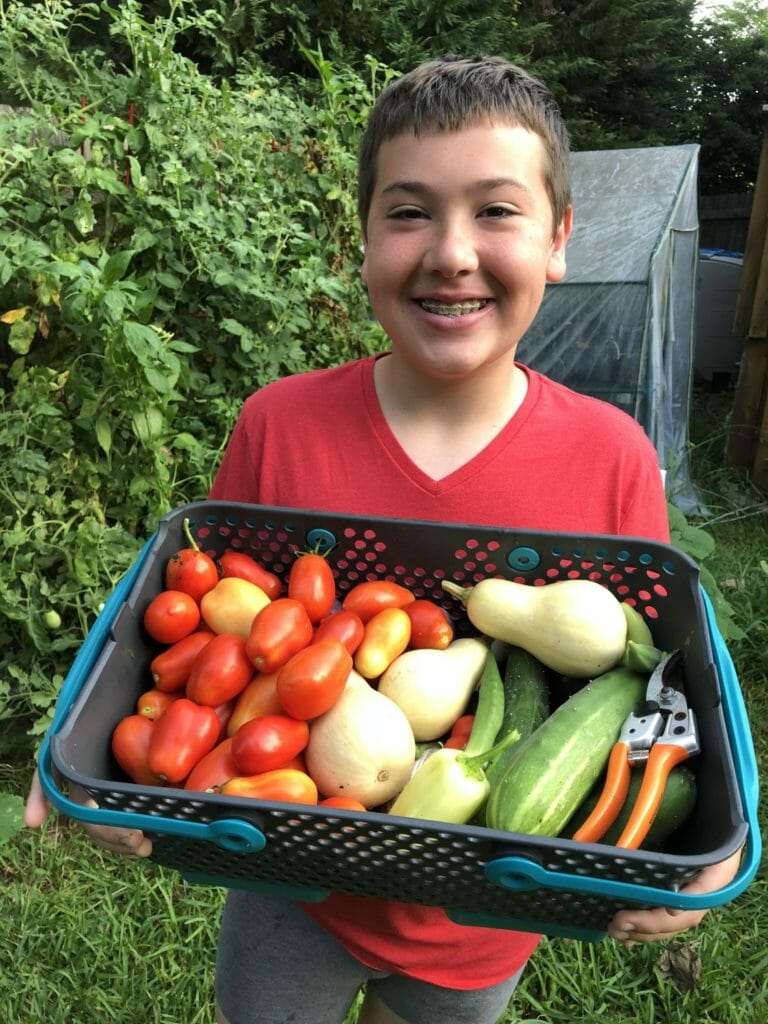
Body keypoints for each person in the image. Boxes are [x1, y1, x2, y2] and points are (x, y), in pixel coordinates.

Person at [25, 54, 742, 1024]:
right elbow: (199, 637)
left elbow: (651, 679)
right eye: (409, 212)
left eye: (496, 210)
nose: (450, 251)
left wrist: (706, 846)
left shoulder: (610, 456)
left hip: (491, 908)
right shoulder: (279, 426)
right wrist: (106, 771)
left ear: (560, 239)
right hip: (293, 887)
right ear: (361, 239)